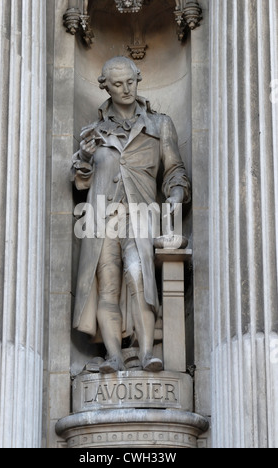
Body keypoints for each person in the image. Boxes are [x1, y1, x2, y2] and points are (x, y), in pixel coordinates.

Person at [72, 56, 190, 374]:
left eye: (131, 81)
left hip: (142, 212)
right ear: (105, 86)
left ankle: (149, 351)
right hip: (100, 216)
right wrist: (84, 157)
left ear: (138, 78)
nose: (126, 89)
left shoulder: (159, 124)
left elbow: (174, 169)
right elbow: (80, 179)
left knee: (138, 276)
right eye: (117, 84)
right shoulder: (94, 131)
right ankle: (113, 355)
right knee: (107, 285)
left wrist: (176, 195)